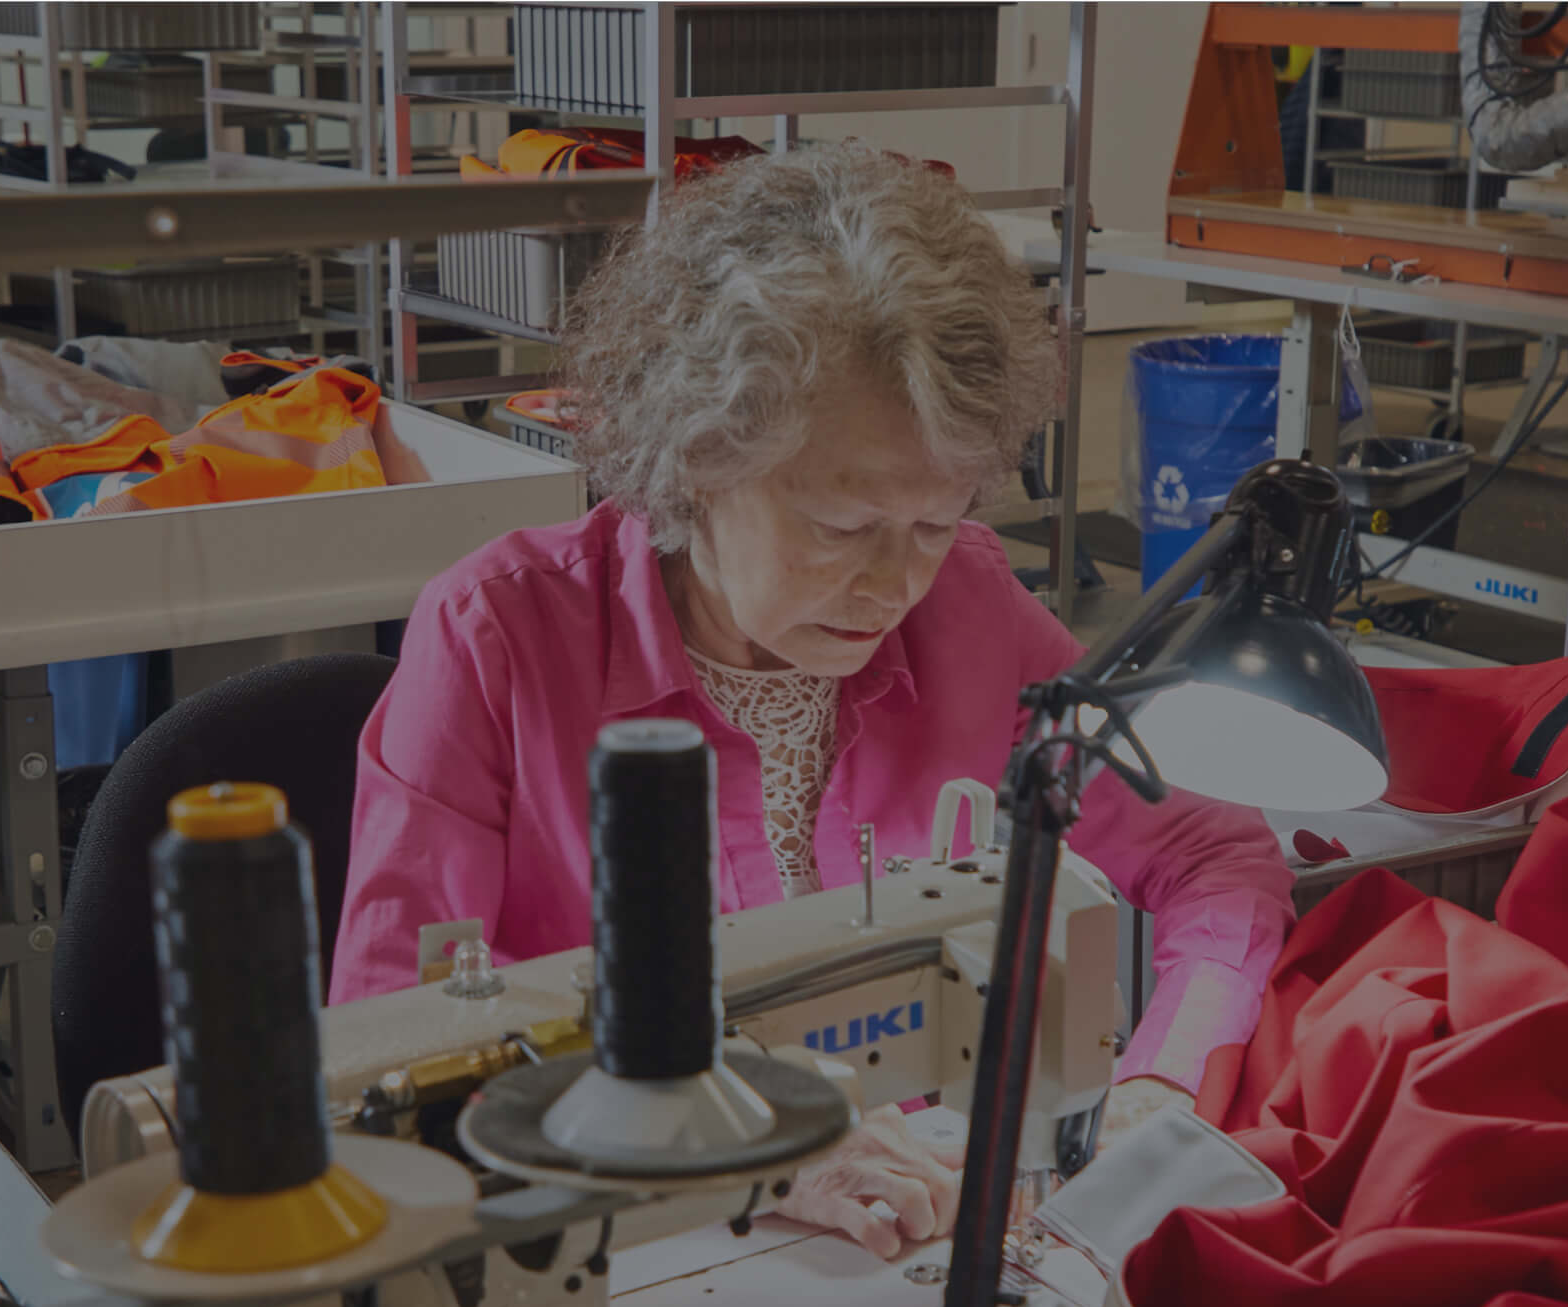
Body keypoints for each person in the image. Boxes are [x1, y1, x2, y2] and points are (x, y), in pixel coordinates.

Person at [331, 144, 1295, 1251]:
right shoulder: (496, 643)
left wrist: (1163, 1083)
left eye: (933, 523)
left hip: (892, 1226)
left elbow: (1214, 855)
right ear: (699, 456)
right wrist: (741, 1133)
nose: (893, 586)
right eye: (842, 528)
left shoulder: (969, 609)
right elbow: (386, 1051)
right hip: (613, 1247)